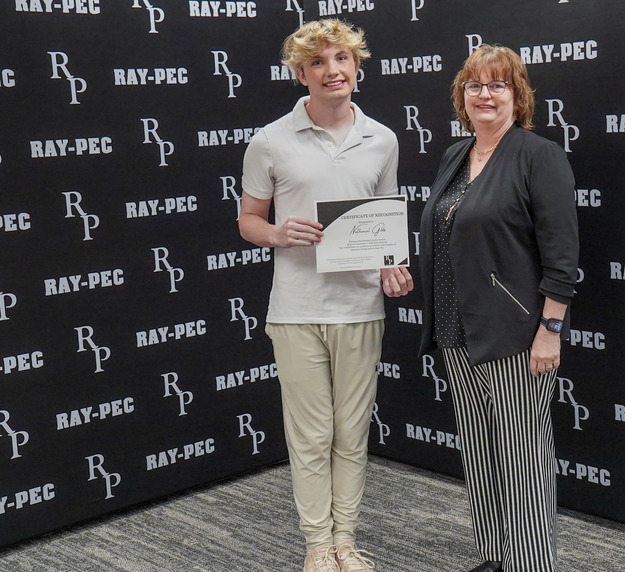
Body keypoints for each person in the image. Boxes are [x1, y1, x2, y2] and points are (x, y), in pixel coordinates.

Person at [239, 18, 413, 572]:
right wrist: (276, 233)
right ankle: (318, 545)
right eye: (318, 62)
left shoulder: (382, 138)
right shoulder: (269, 140)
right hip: (294, 309)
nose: (332, 71)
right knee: (310, 434)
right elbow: (247, 220)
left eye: (342, 59)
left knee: (351, 431)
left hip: (360, 306)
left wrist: (394, 268)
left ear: (358, 67)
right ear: (300, 74)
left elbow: (384, 223)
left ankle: (347, 541)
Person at [418, 44, 579, 572]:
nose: (484, 95)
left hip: (515, 334)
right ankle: (493, 557)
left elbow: (561, 255)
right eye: (474, 85)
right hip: (456, 330)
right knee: (482, 454)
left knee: (523, 458)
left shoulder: (538, 155)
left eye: (497, 85)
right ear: (462, 96)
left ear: (518, 96)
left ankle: (531, 564)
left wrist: (550, 328)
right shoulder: (454, 155)